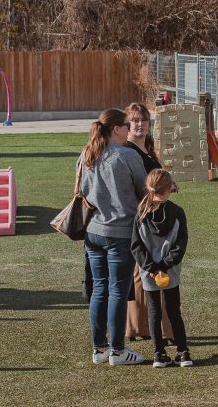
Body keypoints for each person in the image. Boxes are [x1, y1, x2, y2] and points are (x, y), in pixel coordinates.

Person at [81, 109, 148, 366]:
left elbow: (82, 190)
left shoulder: (87, 154)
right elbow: (145, 189)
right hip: (120, 232)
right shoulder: (127, 155)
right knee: (118, 290)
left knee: (100, 288)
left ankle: (99, 348)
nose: (131, 128)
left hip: (93, 231)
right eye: (127, 124)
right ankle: (118, 351)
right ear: (117, 129)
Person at [123, 102, 174, 344]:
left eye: (143, 119)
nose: (140, 124)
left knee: (144, 273)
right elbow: (135, 188)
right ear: (127, 125)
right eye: (134, 120)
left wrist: (168, 186)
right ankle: (138, 327)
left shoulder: (147, 149)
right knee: (142, 273)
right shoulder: (128, 151)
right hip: (142, 220)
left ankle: (141, 327)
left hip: (155, 216)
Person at [131, 169, 193, 367]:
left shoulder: (141, 213)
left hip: (148, 272)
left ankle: (159, 354)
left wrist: (150, 267)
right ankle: (183, 352)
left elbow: (135, 246)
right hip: (171, 270)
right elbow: (180, 244)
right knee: (174, 311)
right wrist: (165, 265)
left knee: (154, 312)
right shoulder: (177, 212)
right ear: (169, 188)